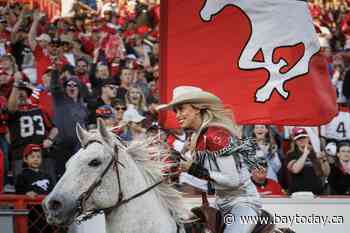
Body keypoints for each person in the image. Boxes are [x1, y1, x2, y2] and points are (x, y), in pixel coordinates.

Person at [157, 86, 261, 233]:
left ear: (197, 108)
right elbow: (206, 180)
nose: (178, 115)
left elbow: (233, 180)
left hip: (243, 203)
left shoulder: (216, 136)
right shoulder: (198, 136)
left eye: (181, 109)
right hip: (220, 204)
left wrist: (192, 169)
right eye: (176, 111)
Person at [15, 144, 54, 233]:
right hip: (32, 213)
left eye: (38, 157)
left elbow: (52, 190)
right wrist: (26, 193)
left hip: (46, 212)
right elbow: (19, 190)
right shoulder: (22, 175)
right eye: (32, 157)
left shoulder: (47, 175)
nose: (36, 159)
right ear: (25, 159)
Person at [286, 127, 330, 195]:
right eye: (298, 139)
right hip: (298, 194)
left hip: (316, 193)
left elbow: (326, 173)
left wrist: (323, 159)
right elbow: (295, 170)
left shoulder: (315, 153)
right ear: (295, 141)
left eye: (304, 137)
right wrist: (305, 153)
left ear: (308, 138)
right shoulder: (291, 154)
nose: (301, 140)